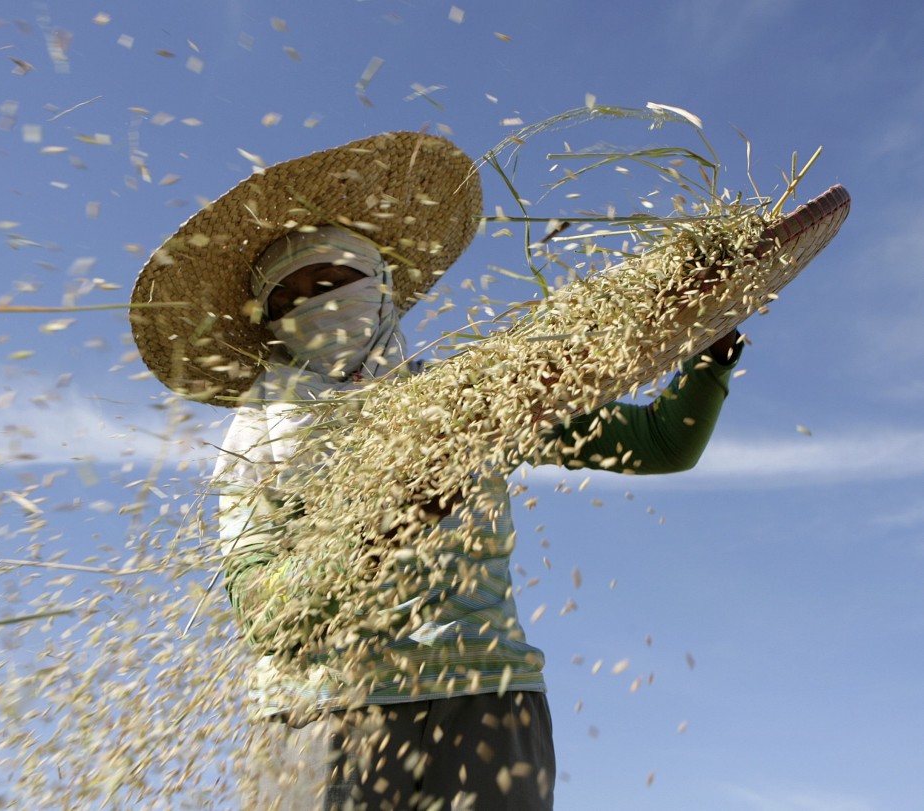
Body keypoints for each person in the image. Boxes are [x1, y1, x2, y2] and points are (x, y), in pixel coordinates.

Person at [131, 132, 743, 811]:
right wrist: (380, 530)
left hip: (484, 704)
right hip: (325, 715)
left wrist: (710, 357)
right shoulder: (254, 441)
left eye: (334, 282)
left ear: (381, 290)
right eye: (289, 298)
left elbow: (660, 443)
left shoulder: (465, 400)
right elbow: (267, 617)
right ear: (271, 325)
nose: (314, 305)